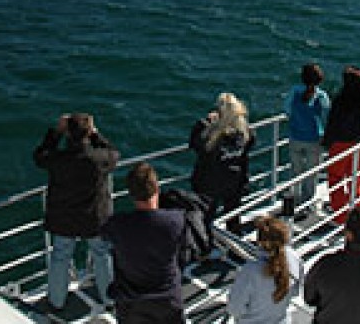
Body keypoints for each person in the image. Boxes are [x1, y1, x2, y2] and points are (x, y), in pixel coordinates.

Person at [33, 112, 119, 311]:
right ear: (88, 133)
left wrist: (55, 133)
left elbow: (39, 156)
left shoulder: (58, 159)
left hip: (64, 217)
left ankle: (56, 302)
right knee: (101, 253)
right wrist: (96, 134)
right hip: (94, 217)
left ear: (68, 135)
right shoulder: (99, 158)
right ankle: (109, 300)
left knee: (61, 256)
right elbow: (113, 153)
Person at [101, 162, 185, 324]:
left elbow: (103, 231)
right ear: (157, 189)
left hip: (131, 303)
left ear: (131, 194)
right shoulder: (176, 220)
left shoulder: (118, 225)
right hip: (167, 300)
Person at [189, 92, 255, 239]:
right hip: (234, 181)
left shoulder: (212, 137)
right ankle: (234, 242)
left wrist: (205, 123)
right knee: (233, 216)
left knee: (205, 218)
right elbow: (247, 150)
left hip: (210, 183)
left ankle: (205, 247)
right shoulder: (245, 133)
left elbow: (194, 143)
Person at [321, 66, 360, 224]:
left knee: (335, 179)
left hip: (341, 145)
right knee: (356, 179)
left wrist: (326, 142)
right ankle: (357, 213)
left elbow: (333, 123)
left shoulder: (341, 100)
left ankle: (341, 216)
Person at [227, 215, 304, 323]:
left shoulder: (251, 270)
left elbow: (235, 308)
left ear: (260, 241)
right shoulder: (294, 258)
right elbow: (295, 292)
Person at [285, 63, 330, 221]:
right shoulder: (322, 96)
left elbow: (287, 110)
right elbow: (326, 117)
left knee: (295, 170)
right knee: (312, 174)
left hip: (296, 136)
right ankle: (307, 204)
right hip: (314, 139)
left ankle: (293, 201)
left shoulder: (294, 92)